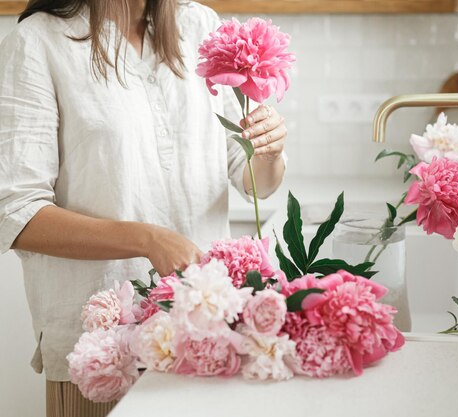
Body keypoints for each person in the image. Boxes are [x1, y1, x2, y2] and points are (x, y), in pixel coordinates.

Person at [0, 1, 288, 416]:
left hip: (206, 337)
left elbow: (253, 180)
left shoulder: (199, 25)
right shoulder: (38, 43)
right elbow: (18, 213)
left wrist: (269, 150)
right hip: (103, 350)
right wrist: (148, 239)